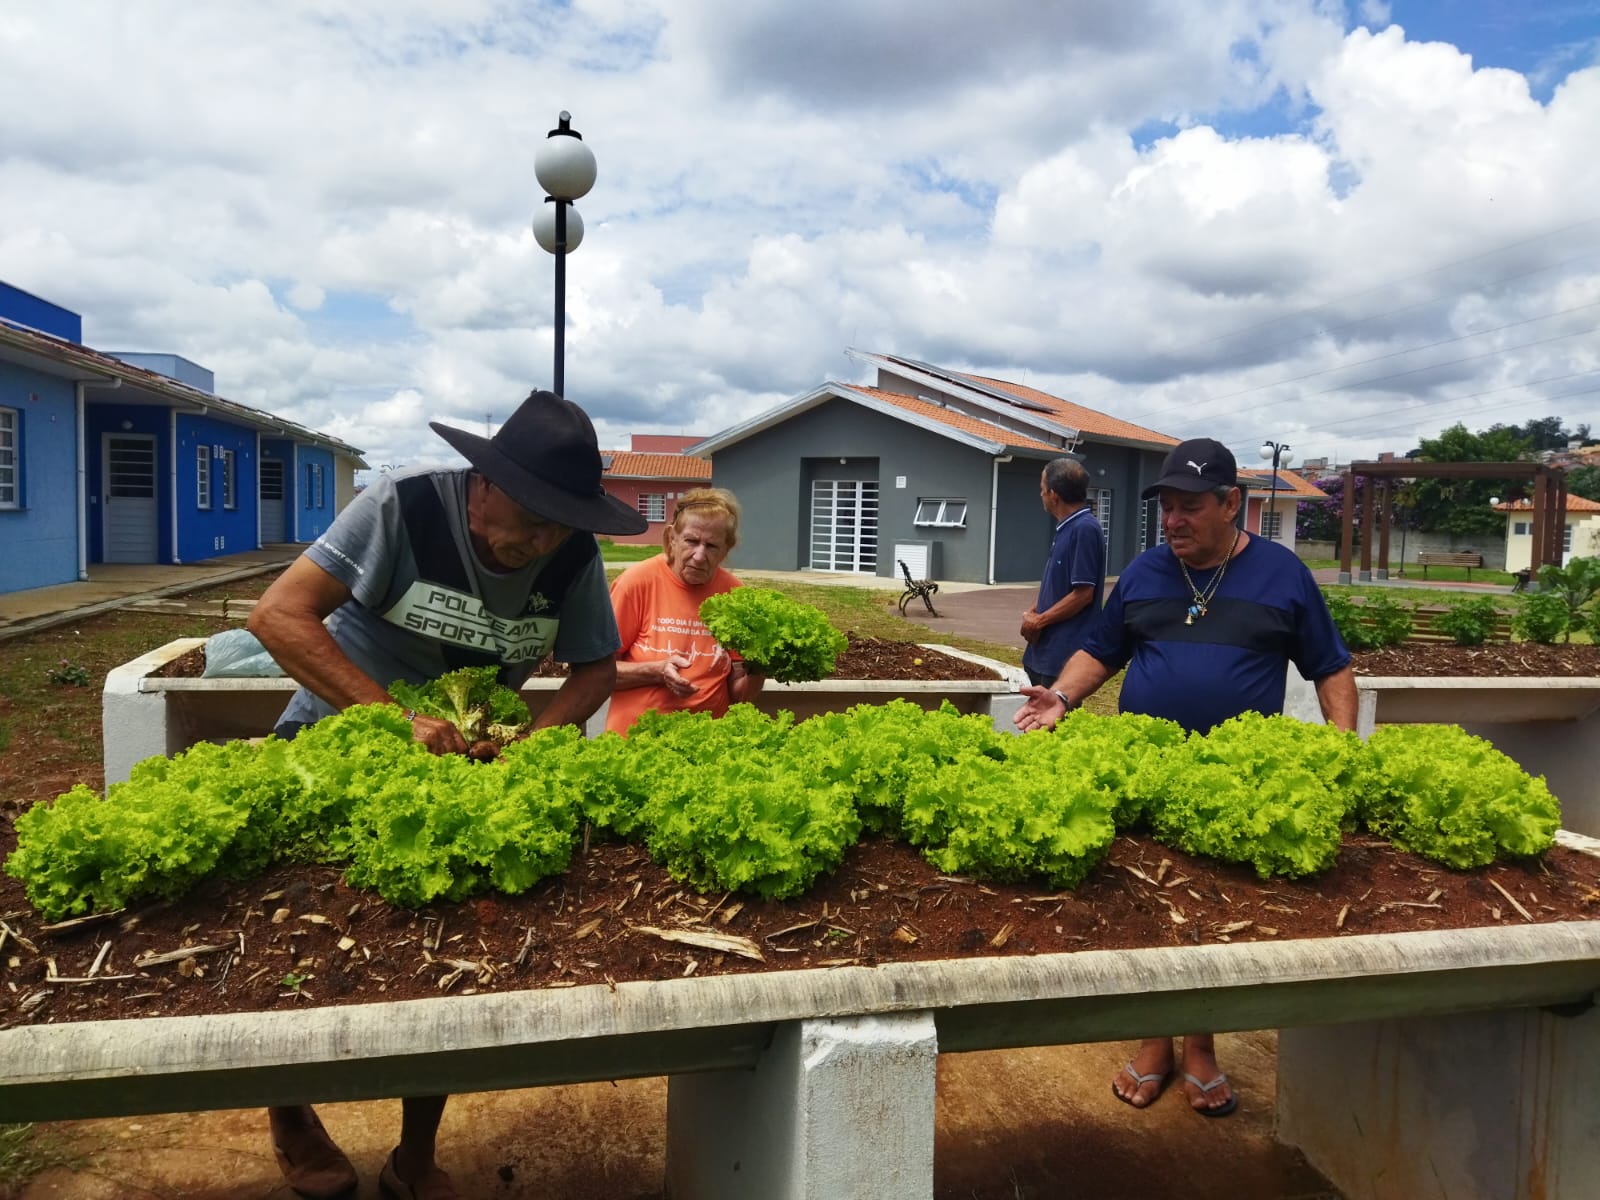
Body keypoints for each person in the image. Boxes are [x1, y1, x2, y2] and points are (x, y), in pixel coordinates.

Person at [247, 389, 647, 1200]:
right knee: (302, 949)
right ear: (484, 485)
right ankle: (292, 1115)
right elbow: (279, 616)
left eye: (561, 526)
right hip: (336, 745)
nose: (542, 542)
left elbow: (595, 669)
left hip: (466, 772)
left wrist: (538, 738)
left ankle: (414, 1154)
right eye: (532, 520)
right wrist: (394, 720)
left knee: (446, 963)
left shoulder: (568, 551)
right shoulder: (404, 506)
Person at [1014, 436, 1356, 1118]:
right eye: (1166, 506)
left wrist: (1343, 754)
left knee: (1212, 917)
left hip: (1232, 786)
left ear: (1231, 503)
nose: (1173, 520)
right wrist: (1062, 696)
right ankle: (1154, 1042)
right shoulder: (1145, 573)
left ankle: (1200, 1048)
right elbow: (1101, 649)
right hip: (1148, 782)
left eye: (1189, 507)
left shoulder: (1283, 575)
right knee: (1152, 912)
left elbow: (1331, 668)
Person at [605, 486, 764, 733]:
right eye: (691, 541)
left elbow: (739, 694)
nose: (699, 556)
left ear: (726, 549)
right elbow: (599, 674)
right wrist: (656, 671)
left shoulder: (735, 595)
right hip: (636, 738)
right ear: (672, 537)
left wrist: (760, 667)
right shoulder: (636, 583)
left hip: (707, 741)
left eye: (711, 546)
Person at [1021, 457, 1106, 687]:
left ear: (1054, 494)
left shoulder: (1084, 529)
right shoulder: (1067, 527)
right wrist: (1034, 611)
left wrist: (1039, 621)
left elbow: (1083, 594)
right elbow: (1058, 585)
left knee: (1051, 709)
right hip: (1043, 650)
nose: (1040, 494)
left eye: (1042, 488)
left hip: (1061, 656)